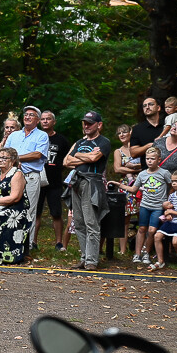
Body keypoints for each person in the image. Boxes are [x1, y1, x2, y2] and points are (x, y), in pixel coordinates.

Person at [63, 111, 113, 270]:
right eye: (84, 122)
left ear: (99, 125)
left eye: (90, 123)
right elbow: (66, 161)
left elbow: (93, 159)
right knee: (78, 222)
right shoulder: (79, 142)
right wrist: (83, 154)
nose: (86, 125)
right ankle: (84, 258)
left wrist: (77, 156)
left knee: (91, 221)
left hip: (93, 182)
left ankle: (92, 260)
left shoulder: (104, 142)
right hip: (77, 181)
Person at [0, 105, 48, 247]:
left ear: (37, 120)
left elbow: (37, 154)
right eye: (26, 114)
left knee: (29, 209)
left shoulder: (42, 136)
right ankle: (9, 240)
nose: (27, 116)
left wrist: (17, 159)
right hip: (12, 176)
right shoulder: (14, 135)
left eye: (31, 115)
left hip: (30, 176)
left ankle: (26, 244)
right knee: (10, 207)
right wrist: (12, 162)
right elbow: (6, 153)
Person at [124, 147, 171, 266]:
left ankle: (146, 252)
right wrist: (118, 185)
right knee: (142, 229)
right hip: (145, 205)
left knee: (152, 230)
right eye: (147, 159)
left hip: (158, 206)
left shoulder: (164, 173)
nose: (149, 161)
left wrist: (168, 200)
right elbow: (134, 189)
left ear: (159, 160)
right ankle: (137, 253)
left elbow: (172, 186)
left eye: (152, 159)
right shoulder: (142, 174)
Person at [39, 110, 71, 251]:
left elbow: (67, 159)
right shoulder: (36, 137)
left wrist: (59, 168)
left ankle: (59, 243)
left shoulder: (62, 140)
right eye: (43, 119)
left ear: (54, 122)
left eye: (48, 119)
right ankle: (33, 242)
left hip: (55, 182)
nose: (45, 121)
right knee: (36, 212)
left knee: (56, 212)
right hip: (38, 180)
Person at [150, 169, 177, 271]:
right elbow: (168, 209)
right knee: (157, 236)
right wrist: (167, 214)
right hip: (172, 222)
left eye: (176, 181)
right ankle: (160, 261)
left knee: (175, 241)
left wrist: (171, 212)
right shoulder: (172, 195)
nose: (173, 183)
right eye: (172, 181)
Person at [110, 124, 142, 257]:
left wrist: (134, 167)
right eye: (119, 133)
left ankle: (141, 250)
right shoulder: (118, 151)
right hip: (125, 185)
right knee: (125, 218)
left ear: (131, 133)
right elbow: (118, 169)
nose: (122, 135)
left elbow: (147, 165)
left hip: (142, 184)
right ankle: (122, 250)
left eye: (124, 132)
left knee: (142, 217)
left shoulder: (139, 148)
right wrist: (135, 169)